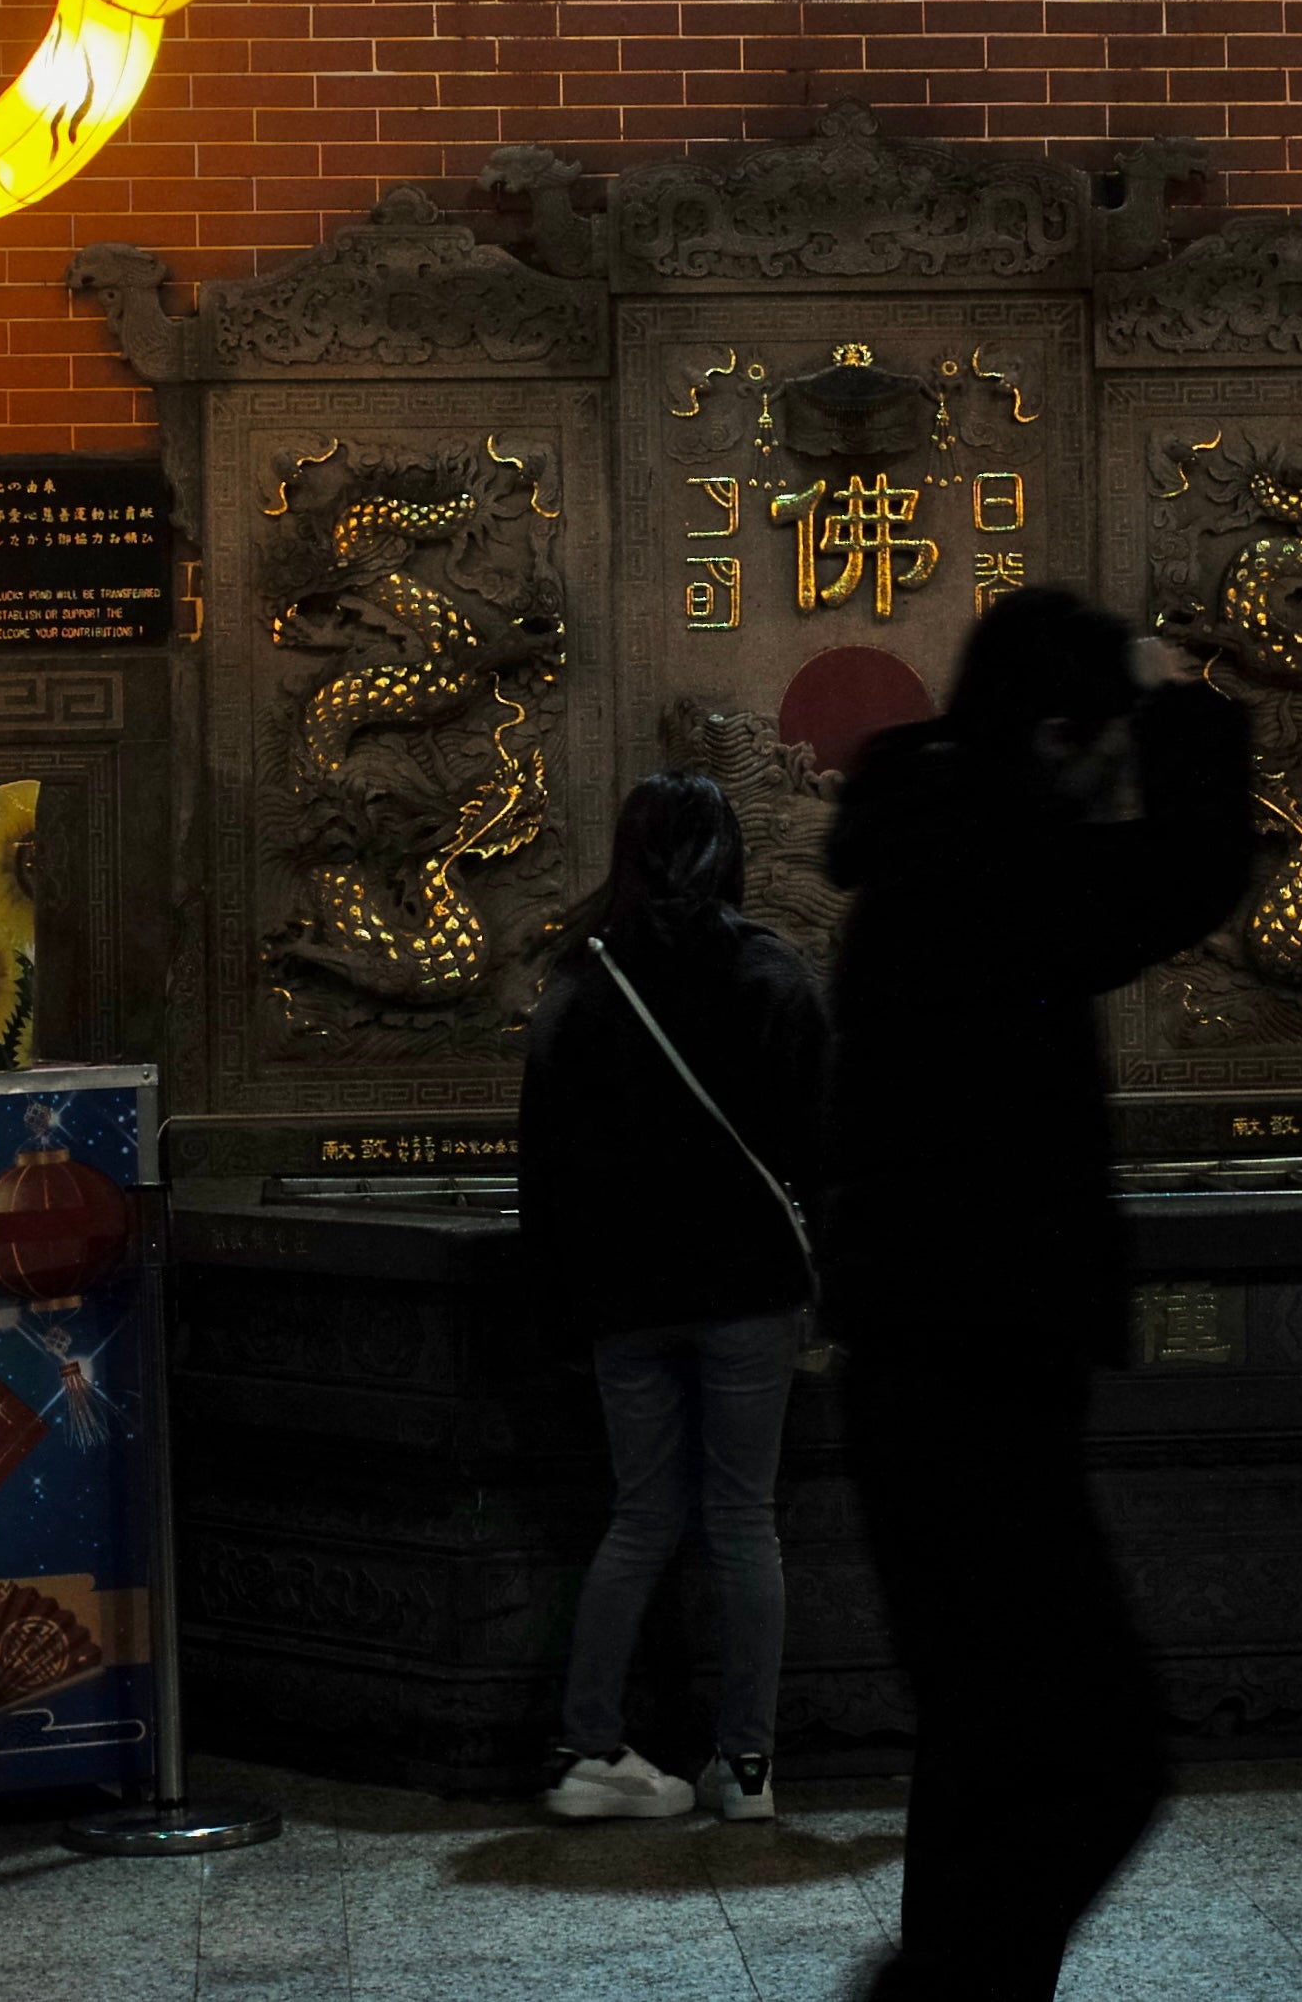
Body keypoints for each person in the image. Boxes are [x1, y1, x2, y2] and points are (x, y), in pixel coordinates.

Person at [821, 588, 1253, 2001]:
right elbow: (1184, 872)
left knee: (985, 1745)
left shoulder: (937, 842)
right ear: (1064, 733)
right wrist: (1197, 716)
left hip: (935, 1360)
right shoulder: (982, 866)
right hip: (969, 1364)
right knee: (1097, 1751)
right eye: (1106, 749)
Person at [515, 771, 831, 1826]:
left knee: (640, 1517)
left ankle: (590, 1749)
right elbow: (817, 1147)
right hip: (749, 1291)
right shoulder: (774, 973)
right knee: (745, 1520)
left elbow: (543, 1170)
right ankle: (746, 1767)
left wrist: (557, 1307)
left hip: (624, 1295)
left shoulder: (580, 982)